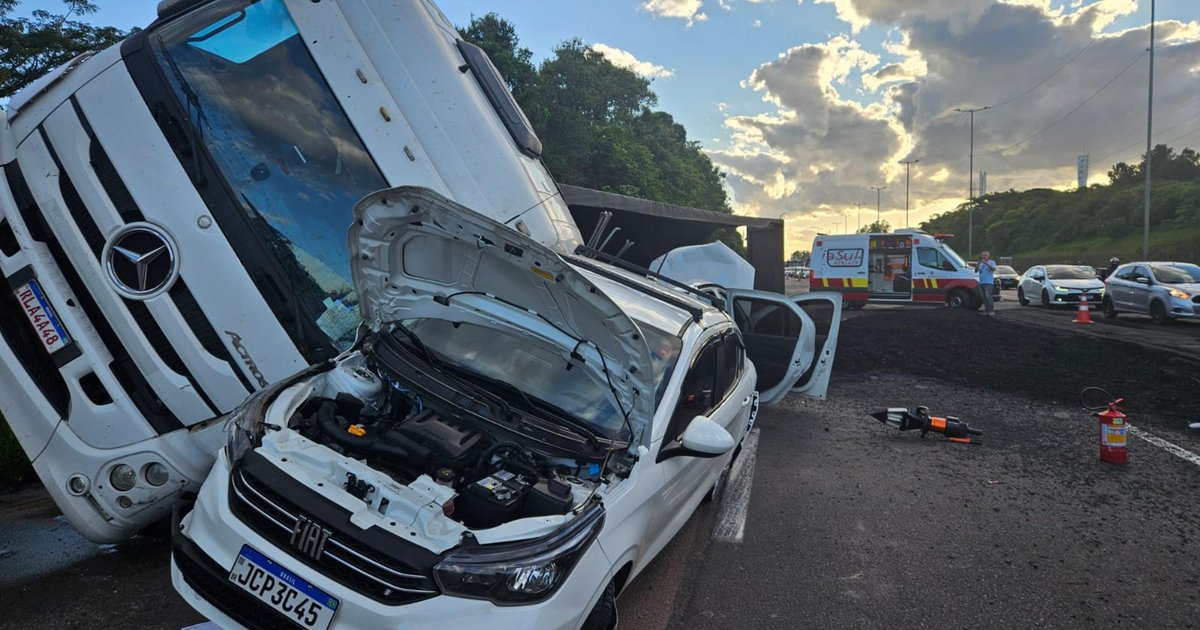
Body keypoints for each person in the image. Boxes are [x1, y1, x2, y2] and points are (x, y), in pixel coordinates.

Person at [977, 251, 997, 317]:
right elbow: (977, 271)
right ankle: (986, 310)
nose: (983, 256)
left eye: (985, 255)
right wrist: (978, 264)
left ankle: (991, 311)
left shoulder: (992, 262)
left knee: (988, 296)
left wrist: (986, 263)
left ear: (988, 256)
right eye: (983, 255)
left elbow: (993, 269)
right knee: (984, 297)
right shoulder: (981, 263)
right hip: (981, 282)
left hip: (988, 282)